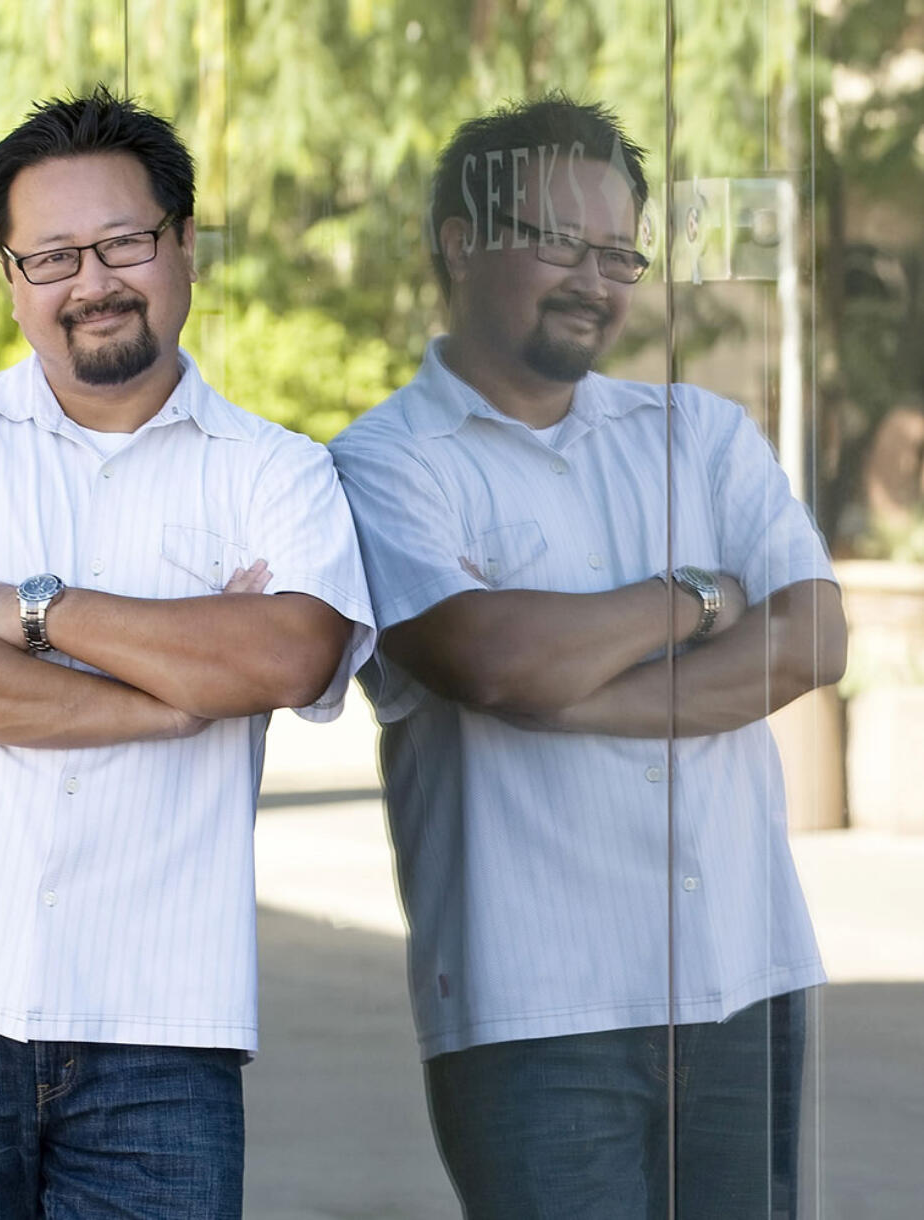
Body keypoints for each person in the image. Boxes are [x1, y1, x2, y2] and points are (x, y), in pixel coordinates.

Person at [0, 85, 374, 1219]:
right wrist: (172, 695)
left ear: (182, 249)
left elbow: (291, 654)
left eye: (124, 241)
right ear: (12, 281)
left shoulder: (275, 471)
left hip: (161, 1024)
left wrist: (35, 609)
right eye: (52, 256)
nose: (92, 280)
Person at [329, 95, 847, 1219]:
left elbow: (811, 637)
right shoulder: (381, 464)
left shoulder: (697, 434)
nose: (595, 279)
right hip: (531, 1007)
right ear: (461, 238)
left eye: (618, 252)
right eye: (559, 242)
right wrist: (701, 598)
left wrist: (580, 679)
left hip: (740, 982)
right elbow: (493, 657)